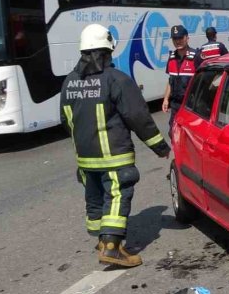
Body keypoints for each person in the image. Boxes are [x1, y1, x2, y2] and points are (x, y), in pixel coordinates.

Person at [60, 24, 171, 267]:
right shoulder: (117, 80)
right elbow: (138, 117)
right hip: (114, 156)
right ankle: (111, 247)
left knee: (96, 197)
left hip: (85, 158)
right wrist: (160, 147)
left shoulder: (69, 82)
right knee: (119, 194)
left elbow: (66, 119)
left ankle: (103, 240)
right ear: (107, 51)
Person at [162, 25, 200, 137]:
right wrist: (165, 99)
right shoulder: (172, 57)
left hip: (192, 105)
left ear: (187, 38)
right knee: (173, 133)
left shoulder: (196, 56)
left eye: (180, 38)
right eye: (175, 39)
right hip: (176, 104)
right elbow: (170, 80)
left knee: (191, 135)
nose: (178, 41)